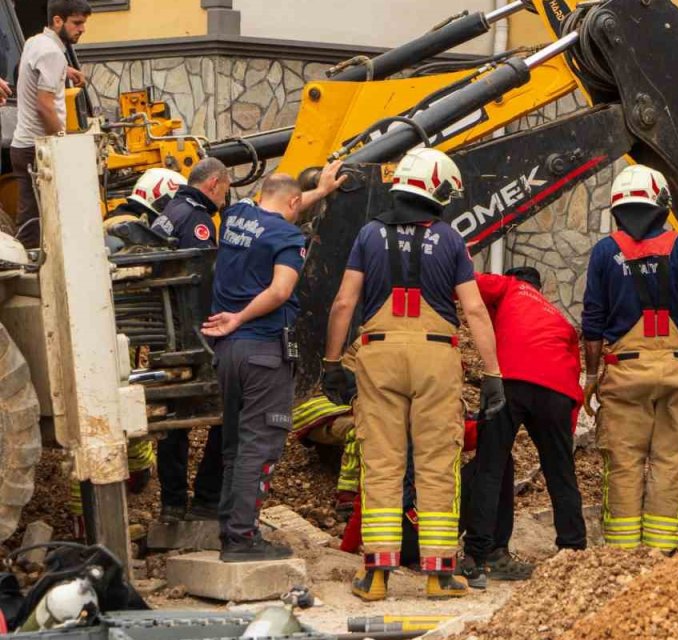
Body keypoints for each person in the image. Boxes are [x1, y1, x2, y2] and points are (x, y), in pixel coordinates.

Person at [321, 148, 504, 600]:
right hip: (436, 358)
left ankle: (376, 574)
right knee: (437, 464)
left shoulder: (368, 235)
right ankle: (439, 574)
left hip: (378, 354)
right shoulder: (450, 239)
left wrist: (330, 362)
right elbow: (475, 309)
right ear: (437, 189)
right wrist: (495, 374)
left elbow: (344, 302)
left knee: (382, 463)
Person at [201, 163, 346, 562]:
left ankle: (230, 532)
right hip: (262, 349)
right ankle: (243, 540)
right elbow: (281, 291)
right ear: (294, 203)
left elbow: (283, 201)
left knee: (235, 447)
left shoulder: (236, 216)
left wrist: (320, 191)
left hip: (227, 353)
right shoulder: (287, 235)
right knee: (260, 446)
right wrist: (242, 316)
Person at [582, 164, 678, 551]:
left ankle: (623, 556)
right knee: (669, 462)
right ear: (661, 204)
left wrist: (590, 377)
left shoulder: (605, 251)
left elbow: (592, 321)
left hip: (624, 372)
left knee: (624, 463)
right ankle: (661, 553)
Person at [460, 266, 586, 584]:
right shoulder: (559, 319)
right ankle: (573, 550)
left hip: (511, 381)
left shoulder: (508, 287)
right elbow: (574, 375)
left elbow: (465, 279)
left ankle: (478, 554)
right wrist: (564, 432)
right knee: (561, 472)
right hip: (557, 391)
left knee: (491, 466)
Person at [151, 159, 231, 524]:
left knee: (172, 421)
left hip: (162, 333)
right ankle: (206, 498)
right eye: (226, 190)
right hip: (188, 335)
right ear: (214, 184)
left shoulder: (171, 209)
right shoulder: (198, 220)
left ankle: (171, 503)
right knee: (226, 412)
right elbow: (202, 278)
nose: (225, 197)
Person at [13, 0, 90, 249]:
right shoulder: (52, 53)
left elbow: (35, 67)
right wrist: (62, 141)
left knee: (32, 217)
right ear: (58, 21)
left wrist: (64, 71)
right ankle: (28, 277)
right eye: (77, 23)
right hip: (39, 148)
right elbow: (45, 104)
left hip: (23, 145)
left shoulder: (35, 42)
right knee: (37, 223)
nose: (82, 29)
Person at [152, 158, 230, 250]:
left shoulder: (173, 206)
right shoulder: (197, 217)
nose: (224, 202)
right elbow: (202, 263)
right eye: (225, 193)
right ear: (214, 185)